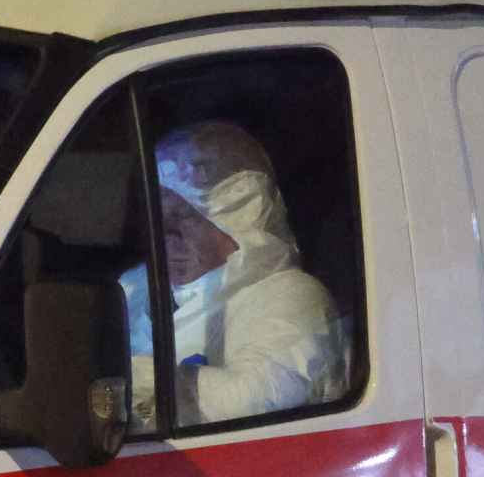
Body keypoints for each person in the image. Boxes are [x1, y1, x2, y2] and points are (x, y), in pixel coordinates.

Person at [122, 121, 349, 428]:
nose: (165, 236)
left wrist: (127, 379)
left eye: (184, 215)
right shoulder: (136, 288)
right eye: (157, 218)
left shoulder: (291, 297)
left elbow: (251, 403)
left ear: (238, 219)